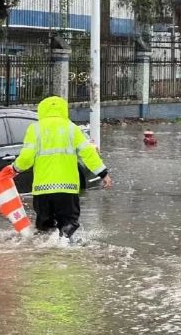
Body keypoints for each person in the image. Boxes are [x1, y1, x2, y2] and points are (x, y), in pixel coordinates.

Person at [9, 95, 113, 238]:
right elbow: (88, 153)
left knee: (44, 227)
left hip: (42, 190)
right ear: (64, 110)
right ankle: (64, 251)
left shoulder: (35, 129)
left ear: (42, 110)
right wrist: (103, 174)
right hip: (67, 189)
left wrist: (15, 169)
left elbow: (26, 157)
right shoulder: (72, 129)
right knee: (68, 224)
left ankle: (44, 254)